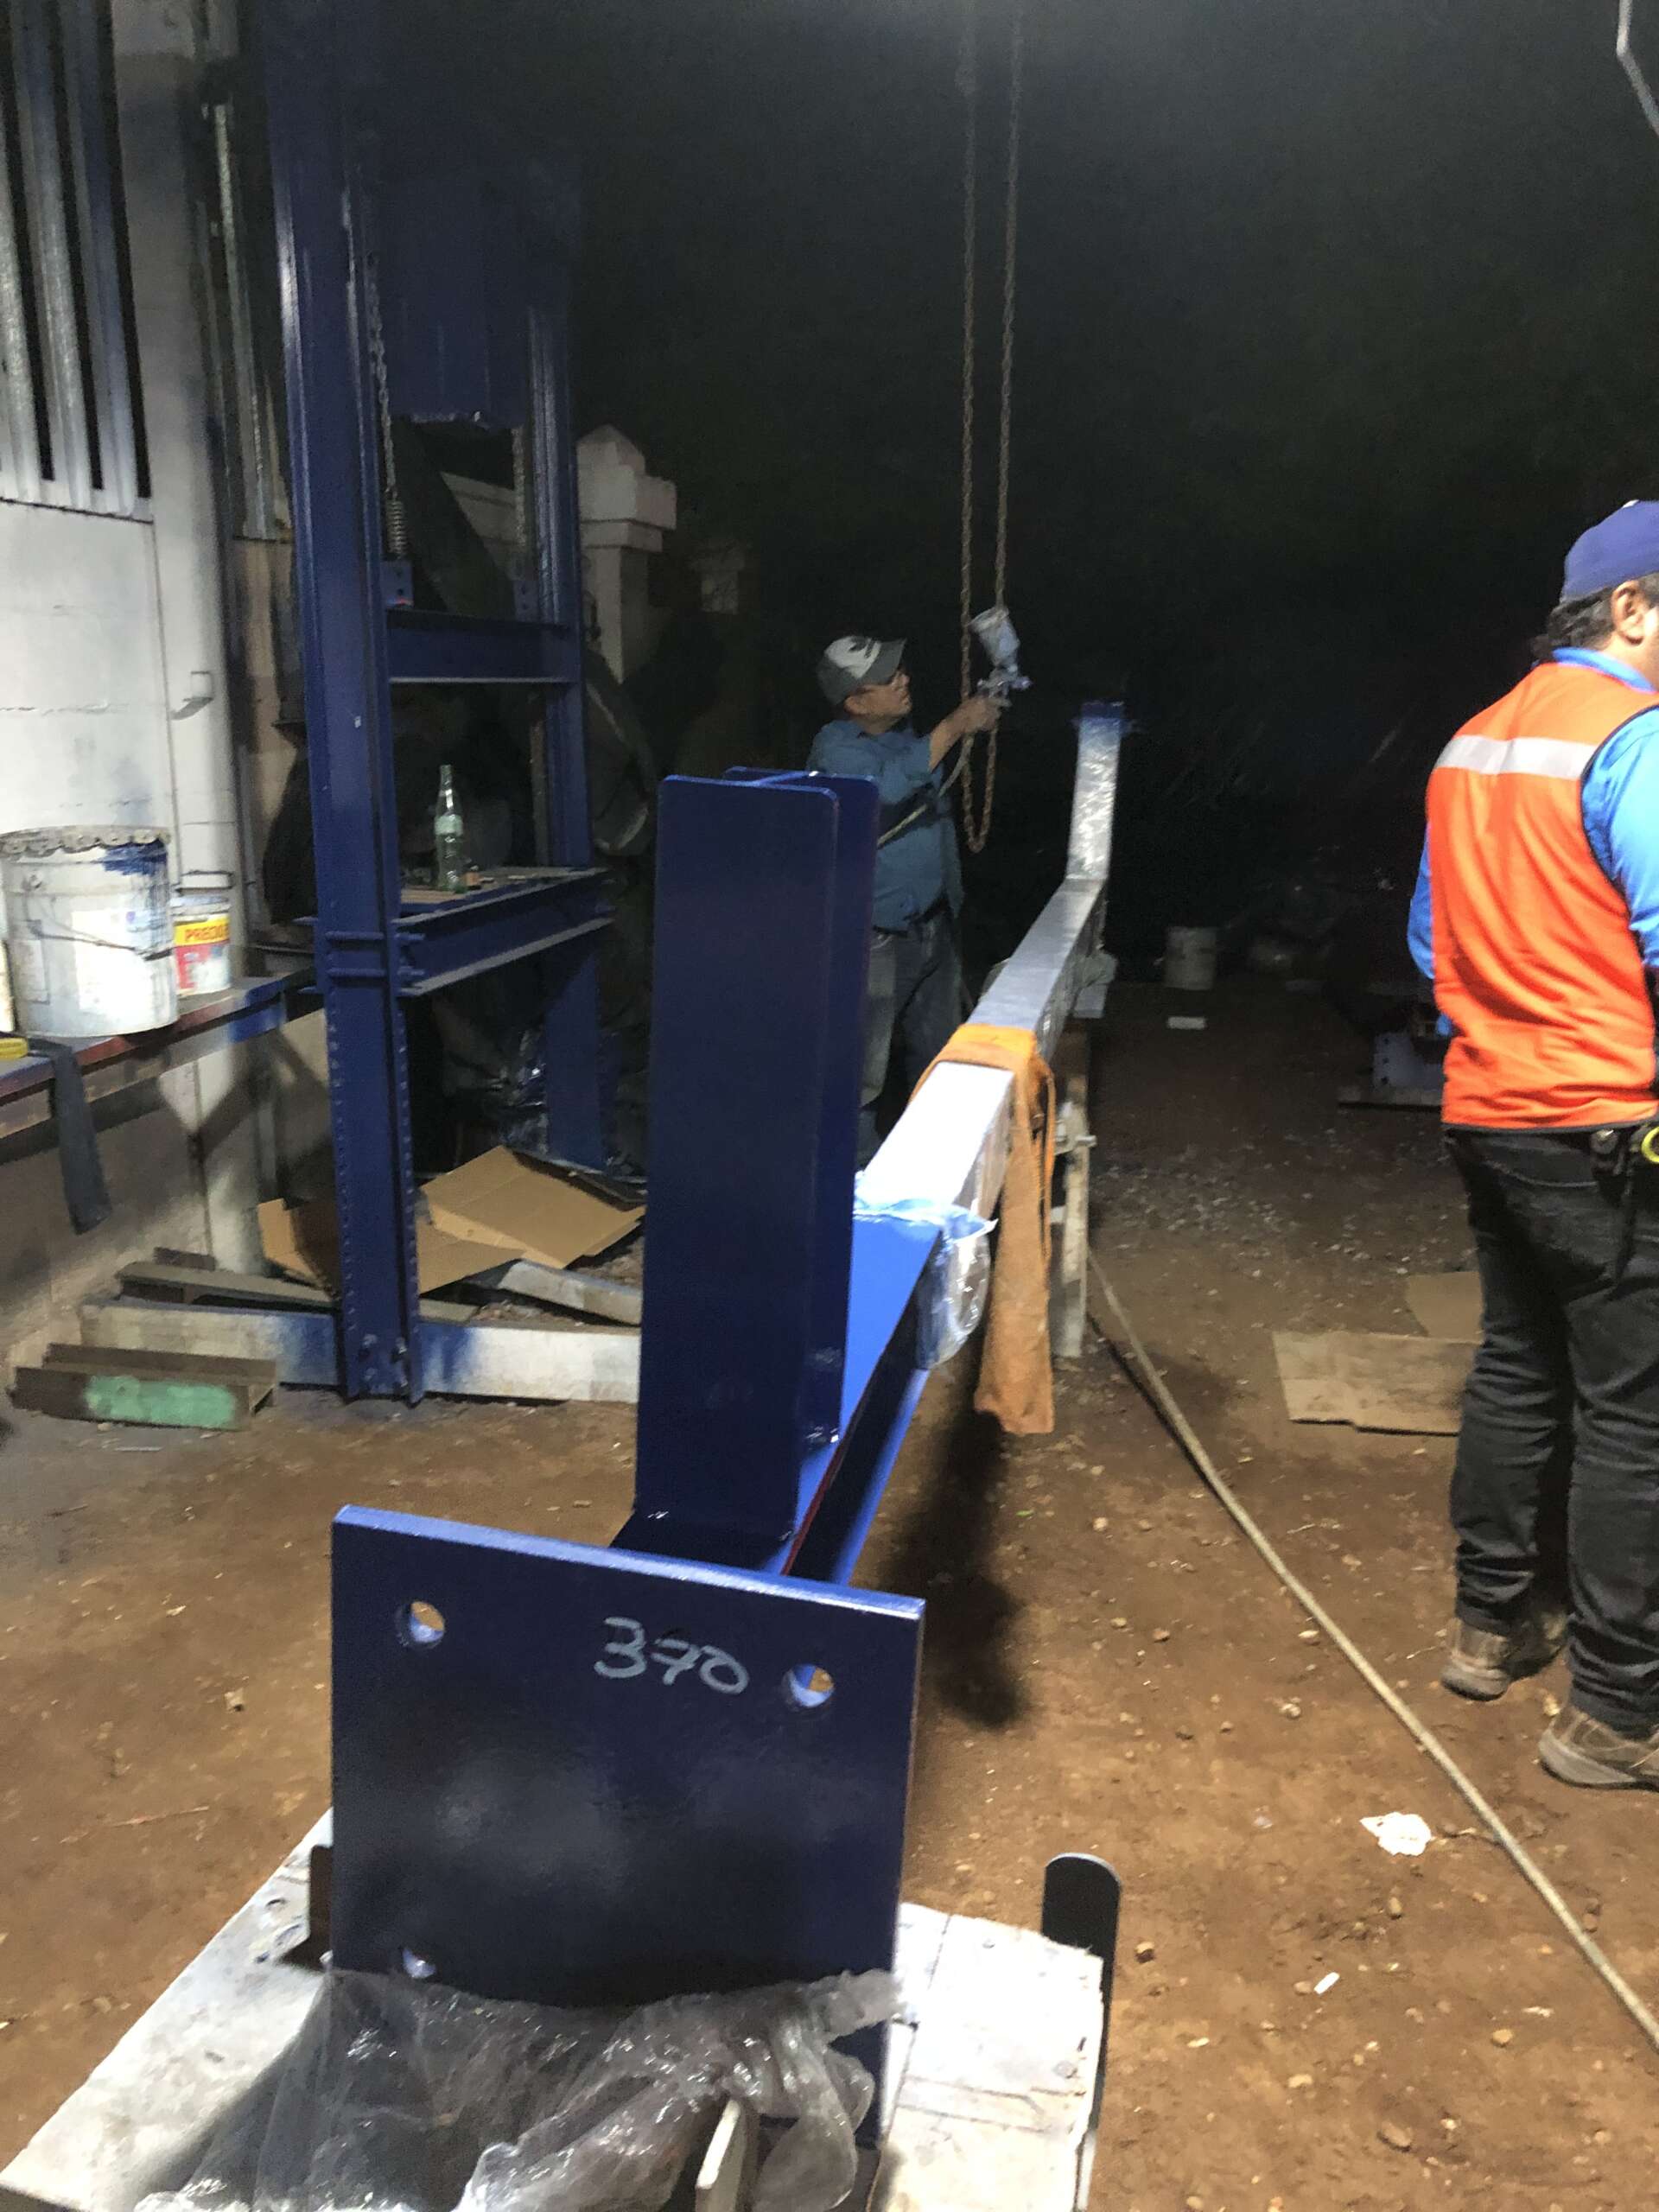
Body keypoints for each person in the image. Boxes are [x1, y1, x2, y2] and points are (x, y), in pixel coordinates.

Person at [1410, 499, 1659, 1790]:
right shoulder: (1637, 739)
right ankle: (1614, 1708)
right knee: (1634, 1414)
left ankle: (1490, 1625)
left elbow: (1428, 941)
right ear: (1630, 607)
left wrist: (1508, 1021)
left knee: (1517, 1365)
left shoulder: (1474, 739)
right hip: (1608, 1119)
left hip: (1488, 1108)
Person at [808, 635, 1001, 1163]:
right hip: (876, 935)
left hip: (932, 926)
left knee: (940, 1056)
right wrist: (954, 727)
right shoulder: (836, 749)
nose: (904, 681)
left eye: (901, 671)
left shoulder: (900, 738)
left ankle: (939, 1165)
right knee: (862, 1071)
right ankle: (855, 1181)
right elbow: (882, 791)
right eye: (888, 679)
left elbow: (914, 771)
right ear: (855, 702)